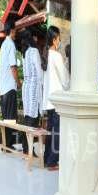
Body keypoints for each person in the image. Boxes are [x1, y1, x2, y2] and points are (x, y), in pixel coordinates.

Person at [42, 26, 70, 171]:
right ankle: (52, 162)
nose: (59, 41)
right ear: (54, 39)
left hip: (48, 100)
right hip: (57, 100)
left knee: (50, 132)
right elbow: (64, 79)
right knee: (57, 132)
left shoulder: (45, 55)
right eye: (58, 39)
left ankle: (47, 158)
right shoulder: (56, 56)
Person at [0, 20, 20, 149]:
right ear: (12, 30)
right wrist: (18, 82)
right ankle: (9, 144)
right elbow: (13, 67)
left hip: (3, 86)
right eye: (15, 30)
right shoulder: (11, 44)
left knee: (6, 116)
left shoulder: (3, 44)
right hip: (10, 85)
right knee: (11, 117)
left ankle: (5, 144)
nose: (16, 32)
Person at [20, 29, 43, 155]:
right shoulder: (34, 51)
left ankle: (25, 147)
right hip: (33, 87)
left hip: (26, 86)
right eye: (35, 37)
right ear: (32, 38)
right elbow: (39, 72)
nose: (36, 39)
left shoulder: (24, 53)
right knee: (33, 119)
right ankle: (29, 149)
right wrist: (43, 84)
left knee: (27, 117)